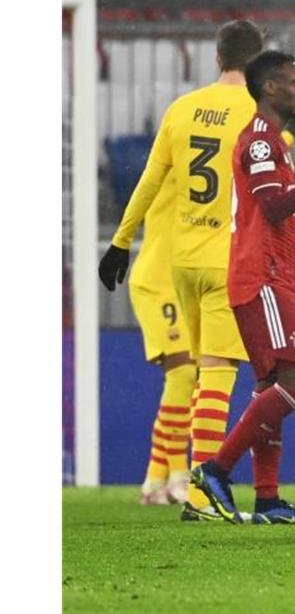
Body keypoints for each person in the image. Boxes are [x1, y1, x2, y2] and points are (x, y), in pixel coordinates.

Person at [98, 20, 267, 521]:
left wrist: (118, 241)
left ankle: (173, 477)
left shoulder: (183, 109)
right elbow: (277, 200)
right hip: (220, 261)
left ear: (216, 58)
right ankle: (194, 489)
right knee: (212, 373)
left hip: (183, 263)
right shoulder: (260, 116)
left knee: (195, 372)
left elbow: (148, 181)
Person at [190, 51, 295, 524]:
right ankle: (216, 469)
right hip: (261, 278)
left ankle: (267, 499)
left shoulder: (276, 143)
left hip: (274, 274)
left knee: (271, 389)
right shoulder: (260, 141)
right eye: (294, 82)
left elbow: (286, 225)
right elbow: (276, 208)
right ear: (269, 89)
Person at [100, 167, 196, 507]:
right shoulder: (173, 161)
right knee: (184, 374)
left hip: (183, 281)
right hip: (158, 281)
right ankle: (178, 476)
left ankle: (155, 481)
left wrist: (294, 135)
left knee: (187, 378)